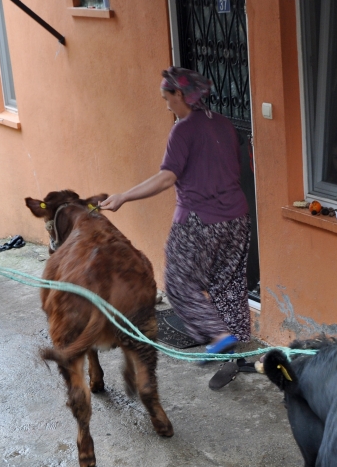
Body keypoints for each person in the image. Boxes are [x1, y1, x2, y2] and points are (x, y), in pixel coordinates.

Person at [101, 67, 251, 361]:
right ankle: (233, 345)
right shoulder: (223, 123)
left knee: (178, 283)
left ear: (180, 94)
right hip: (237, 218)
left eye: (166, 96)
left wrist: (124, 197)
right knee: (228, 281)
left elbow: (167, 178)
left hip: (199, 221)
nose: (165, 102)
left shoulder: (182, 129)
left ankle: (220, 337)